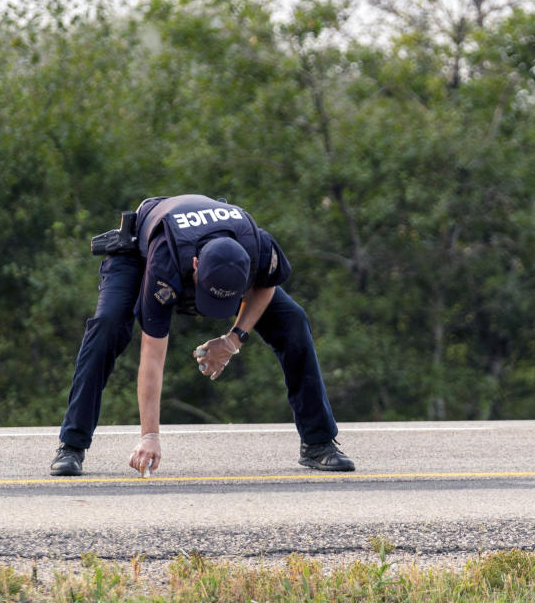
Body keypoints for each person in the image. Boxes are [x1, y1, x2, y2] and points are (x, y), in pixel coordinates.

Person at [50, 194, 355, 476]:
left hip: (218, 251)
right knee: (107, 326)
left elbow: (267, 284)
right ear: (195, 266)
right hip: (142, 253)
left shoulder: (259, 246)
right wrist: (150, 436)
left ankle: (318, 443)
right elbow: (152, 355)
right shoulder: (166, 262)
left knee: (294, 322)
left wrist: (233, 340)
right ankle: (72, 445)